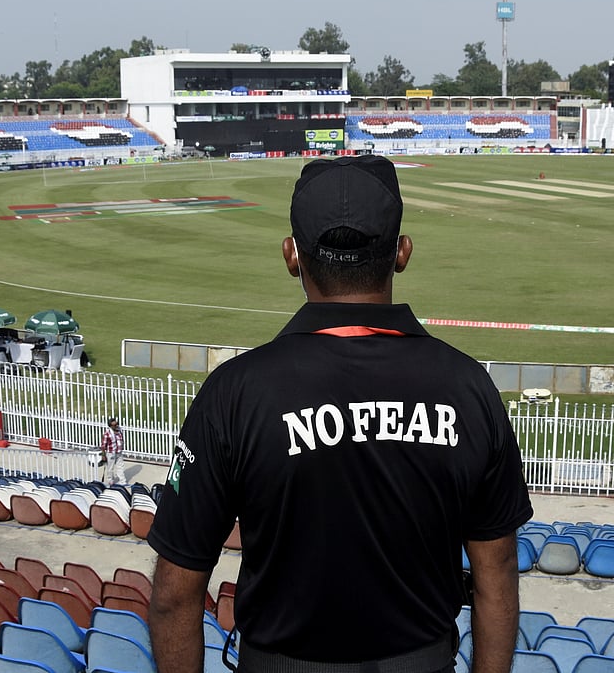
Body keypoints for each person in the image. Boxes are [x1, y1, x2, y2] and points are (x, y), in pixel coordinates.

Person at [147, 155, 533, 673]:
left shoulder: (234, 392)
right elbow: (497, 570)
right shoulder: (468, 386)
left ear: (291, 255)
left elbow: (175, 594)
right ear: (401, 253)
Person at [100, 416, 126, 486]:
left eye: (117, 424)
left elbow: (121, 440)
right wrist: (103, 455)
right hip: (111, 452)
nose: (116, 426)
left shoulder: (119, 431)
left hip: (119, 452)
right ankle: (110, 481)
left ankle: (122, 481)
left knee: (120, 466)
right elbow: (103, 445)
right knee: (110, 468)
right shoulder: (107, 434)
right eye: (114, 425)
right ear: (110, 426)